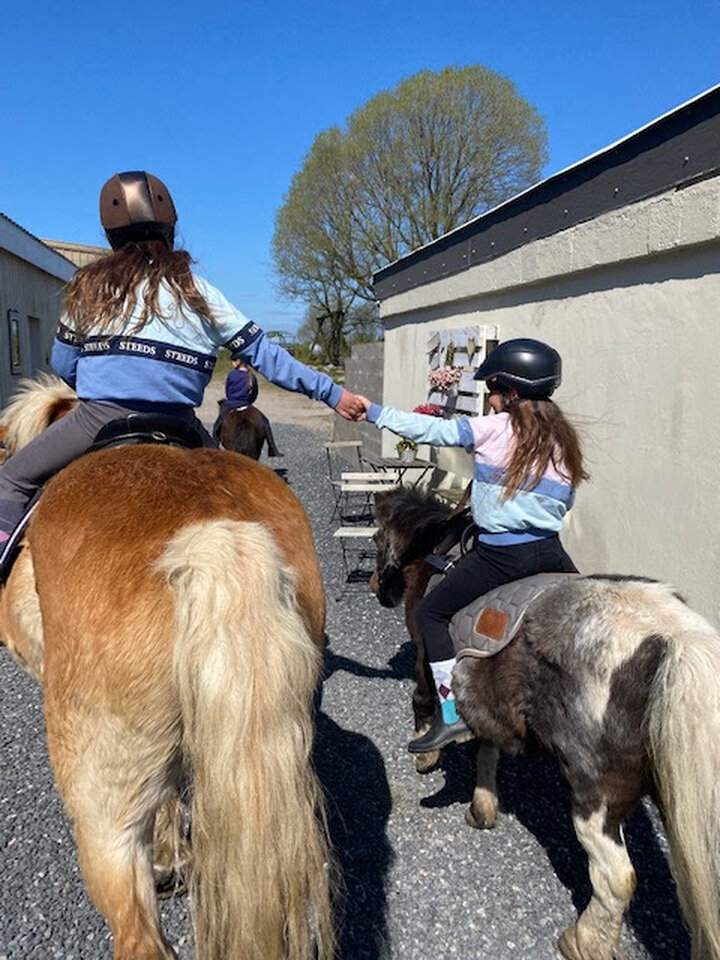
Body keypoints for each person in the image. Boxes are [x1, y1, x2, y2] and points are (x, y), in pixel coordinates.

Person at [0, 170, 364, 550]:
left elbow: (64, 364)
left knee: (10, 480)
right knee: (242, 497)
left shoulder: (90, 288)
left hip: (98, 419)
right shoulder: (198, 290)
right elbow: (267, 356)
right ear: (170, 229)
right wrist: (334, 395)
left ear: (110, 237)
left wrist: (101, 381)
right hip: (181, 424)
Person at [357, 338, 588, 753]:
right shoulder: (565, 439)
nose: (490, 400)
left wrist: (373, 411)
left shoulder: (493, 427)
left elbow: (430, 429)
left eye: (492, 391)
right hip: (550, 551)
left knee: (430, 613)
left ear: (511, 393)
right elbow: (566, 500)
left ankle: (451, 717)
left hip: (501, 556)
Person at [212, 358, 283, 457]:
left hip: (231, 403)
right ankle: (272, 449)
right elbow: (254, 393)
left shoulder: (232, 374)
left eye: (233, 360)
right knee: (265, 422)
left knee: (217, 425)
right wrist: (249, 401)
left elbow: (228, 390)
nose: (232, 363)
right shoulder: (252, 377)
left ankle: (214, 446)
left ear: (239, 361)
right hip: (246, 403)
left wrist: (231, 399)